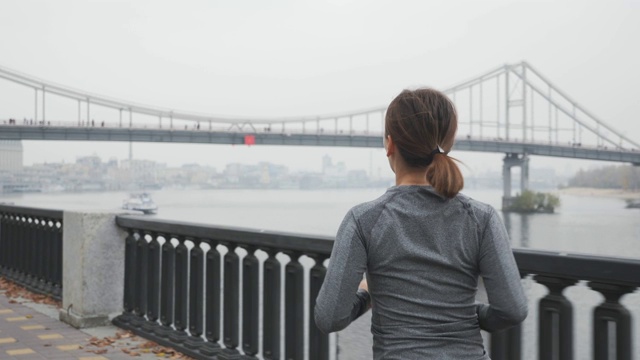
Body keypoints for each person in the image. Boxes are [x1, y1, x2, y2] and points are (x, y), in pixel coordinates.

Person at [314, 88, 528, 359]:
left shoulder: (363, 220)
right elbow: (512, 310)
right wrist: (467, 314)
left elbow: (329, 317)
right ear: (447, 145)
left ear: (390, 145)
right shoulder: (481, 218)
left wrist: (368, 295)